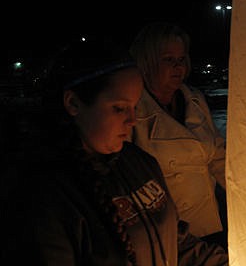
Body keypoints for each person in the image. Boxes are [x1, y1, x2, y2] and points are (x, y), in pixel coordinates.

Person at [3, 36, 228, 266]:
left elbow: (176, 242)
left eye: (135, 106)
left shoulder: (140, 163)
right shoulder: (45, 198)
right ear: (73, 104)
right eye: (119, 108)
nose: (132, 120)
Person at [129, 22, 228, 249]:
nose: (178, 67)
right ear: (147, 62)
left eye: (181, 59)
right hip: (168, 233)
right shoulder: (132, 111)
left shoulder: (194, 100)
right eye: (168, 60)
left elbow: (217, 155)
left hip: (209, 223)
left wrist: (245, 192)